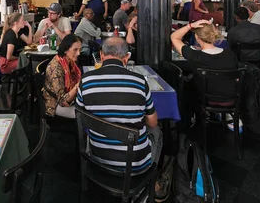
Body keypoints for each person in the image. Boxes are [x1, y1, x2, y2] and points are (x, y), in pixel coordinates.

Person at [76, 37, 167, 200]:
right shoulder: (139, 82)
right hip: (135, 165)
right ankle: (148, 187)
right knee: (157, 133)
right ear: (127, 57)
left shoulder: (85, 80)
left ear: (102, 55)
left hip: (98, 160)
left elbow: (82, 119)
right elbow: (152, 122)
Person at [170, 19, 239, 101]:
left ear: (196, 37)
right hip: (231, 99)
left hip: (204, 99)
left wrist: (190, 25)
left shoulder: (195, 56)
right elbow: (237, 79)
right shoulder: (230, 54)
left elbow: (174, 37)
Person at [43, 34, 83, 119]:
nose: (78, 53)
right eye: (75, 50)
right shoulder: (56, 67)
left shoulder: (69, 61)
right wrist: (77, 86)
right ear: (65, 50)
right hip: (55, 105)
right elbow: (62, 101)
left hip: (70, 100)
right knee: (88, 113)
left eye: (80, 49)